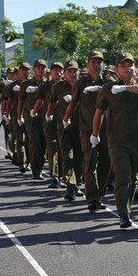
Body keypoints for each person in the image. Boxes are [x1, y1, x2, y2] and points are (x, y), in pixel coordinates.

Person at [92, 52, 138, 228]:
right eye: (123, 65)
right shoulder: (107, 89)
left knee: (133, 177)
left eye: (130, 65)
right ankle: (123, 214)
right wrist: (95, 134)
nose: (127, 68)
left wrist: (126, 88)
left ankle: (127, 208)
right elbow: (99, 113)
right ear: (117, 69)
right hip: (117, 141)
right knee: (123, 176)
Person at [63, 51, 111, 212]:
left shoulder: (109, 82)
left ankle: (100, 196)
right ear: (88, 63)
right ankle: (91, 198)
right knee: (91, 163)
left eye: (99, 62)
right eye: (93, 62)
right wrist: (66, 119)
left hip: (108, 130)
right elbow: (73, 103)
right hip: (87, 130)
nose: (96, 65)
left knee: (105, 164)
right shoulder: (80, 83)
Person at [46, 60, 83, 201]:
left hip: (82, 127)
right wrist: (48, 114)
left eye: (75, 71)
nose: (72, 74)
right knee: (68, 157)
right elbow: (52, 102)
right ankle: (71, 187)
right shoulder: (58, 87)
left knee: (80, 159)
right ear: (65, 73)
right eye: (69, 71)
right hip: (65, 128)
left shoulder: (83, 86)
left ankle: (77, 184)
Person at [32, 62, 64, 189]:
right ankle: (55, 177)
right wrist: (34, 111)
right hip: (50, 122)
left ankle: (63, 175)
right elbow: (39, 101)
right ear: (50, 72)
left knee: (63, 150)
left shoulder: (69, 86)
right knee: (52, 149)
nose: (58, 72)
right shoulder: (45, 86)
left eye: (60, 70)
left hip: (65, 123)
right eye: (55, 70)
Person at [18, 59, 47, 180]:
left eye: (43, 67)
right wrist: (19, 116)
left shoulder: (49, 84)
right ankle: (36, 170)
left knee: (44, 144)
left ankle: (38, 165)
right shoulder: (26, 84)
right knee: (35, 142)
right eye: (38, 67)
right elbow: (21, 101)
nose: (41, 69)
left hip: (45, 118)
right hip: (31, 118)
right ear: (34, 69)